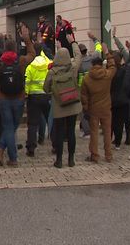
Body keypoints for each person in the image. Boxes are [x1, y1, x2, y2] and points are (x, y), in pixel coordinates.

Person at [0, 24, 35, 167]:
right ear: (15, 48)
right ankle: (13, 158)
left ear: (4, 48)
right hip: (19, 98)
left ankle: (1, 147)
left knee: (10, 126)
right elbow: (33, 55)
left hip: (4, 99)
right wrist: (27, 39)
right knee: (12, 126)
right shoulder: (20, 61)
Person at [44, 33, 82, 168]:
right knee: (71, 131)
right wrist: (73, 43)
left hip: (59, 106)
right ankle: (71, 159)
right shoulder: (73, 68)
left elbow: (45, 88)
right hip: (72, 104)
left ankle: (59, 160)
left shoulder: (52, 72)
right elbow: (78, 56)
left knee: (59, 133)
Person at [81, 42, 116, 163]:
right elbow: (113, 66)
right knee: (107, 132)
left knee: (94, 133)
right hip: (106, 108)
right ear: (102, 64)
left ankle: (95, 155)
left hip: (93, 108)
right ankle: (108, 155)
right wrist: (107, 52)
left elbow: (84, 96)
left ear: (92, 64)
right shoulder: (107, 75)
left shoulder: (87, 78)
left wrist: (85, 108)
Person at [24, 42, 51, 157]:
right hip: (47, 96)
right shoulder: (49, 63)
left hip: (33, 97)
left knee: (32, 124)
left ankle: (31, 147)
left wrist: (26, 94)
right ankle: (56, 145)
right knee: (51, 121)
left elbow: (27, 83)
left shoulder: (30, 66)